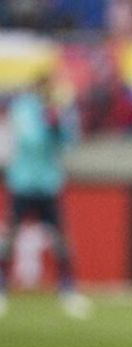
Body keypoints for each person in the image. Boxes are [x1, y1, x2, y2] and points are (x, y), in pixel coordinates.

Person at [0, 72, 92, 319]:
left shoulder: (59, 109)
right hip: (23, 182)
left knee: (61, 238)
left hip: (49, 184)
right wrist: (47, 121)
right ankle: (2, 289)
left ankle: (68, 290)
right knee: (11, 236)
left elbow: (71, 141)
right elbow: (31, 140)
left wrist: (58, 121)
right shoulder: (24, 108)